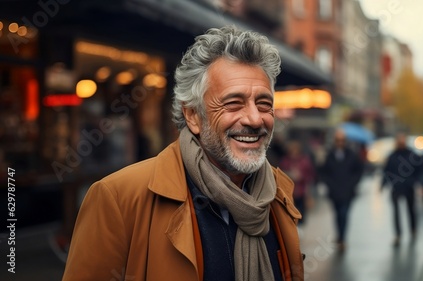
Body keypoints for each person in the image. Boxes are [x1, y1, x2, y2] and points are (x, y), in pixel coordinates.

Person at [62, 26, 304, 281]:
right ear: (193, 116)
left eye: (264, 104)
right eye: (233, 103)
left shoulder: (278, 193)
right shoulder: (119, 198)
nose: (255, 119)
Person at [321, 129, 364, 252]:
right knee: (337, 214)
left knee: (344, 214)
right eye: (338, 140)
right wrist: (329, 184)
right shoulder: (330, 155)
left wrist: (352, 183)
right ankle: (339, 236)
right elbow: (324, 171)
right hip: (335, 191)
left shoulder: (352, 154)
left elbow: (359, 170)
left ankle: (342, 238)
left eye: (342, 140)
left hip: (347, 191)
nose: (340, 143)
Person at [381, 133, 421, 246]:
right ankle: (398, 234)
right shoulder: (392, 156)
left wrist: (418, 182)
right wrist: (383, 184)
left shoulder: (411, 154)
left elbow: (418, 169)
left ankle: (413, 229)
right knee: (396, 212)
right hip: (396, 187)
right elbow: (386, 171)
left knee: (411, 210)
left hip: (409, 186)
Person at [279, 140, 315, 227]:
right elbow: (280, 173)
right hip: (288, 192)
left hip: (302, 191)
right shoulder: (285, 161)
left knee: (301, 213)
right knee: (290, 213)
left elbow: (310, 175)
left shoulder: (304, 161)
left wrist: (301, 176)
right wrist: (289, 174)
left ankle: (300, 231)